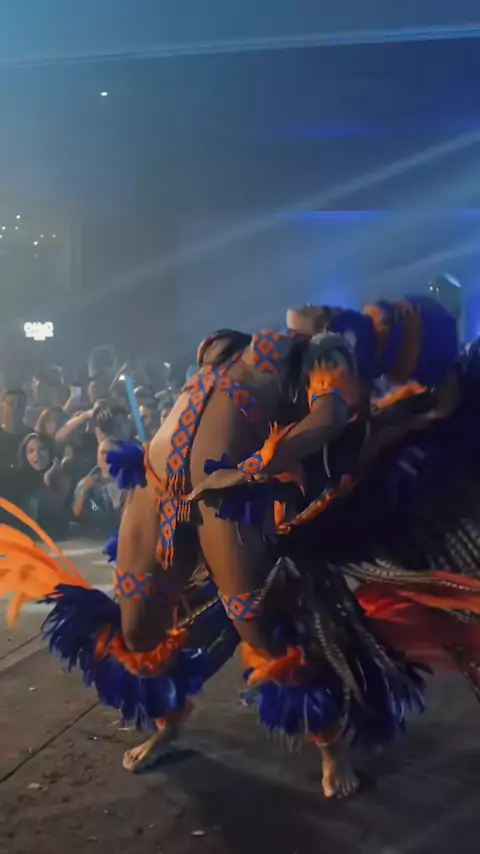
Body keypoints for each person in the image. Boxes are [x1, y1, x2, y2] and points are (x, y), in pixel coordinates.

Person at [5, 323, 480, 803]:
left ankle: (330, 747)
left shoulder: (321, 350)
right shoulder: (224, 345)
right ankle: (170, 722)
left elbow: (328, 419)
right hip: (157, 486)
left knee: (265, 638)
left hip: (226, 503)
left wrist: (246, 472)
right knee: (138, 634)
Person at [15, 433, 70, 536]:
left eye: (42, 449)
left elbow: (59, 518)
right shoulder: (18, 479)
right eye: (31, 451)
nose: (37, 455)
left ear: (50, 452)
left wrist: (47, 480)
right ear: (25, 456)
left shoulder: (62, 478)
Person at [72, 438, 123, 531]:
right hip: (89, 536)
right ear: (97, 456)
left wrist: (117, 503)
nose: (106, 457)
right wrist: (84, 492)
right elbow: (76, 514)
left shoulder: (128, 484)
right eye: (103, 452)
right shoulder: (85, 482)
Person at [0, 389, 30, 470]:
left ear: (25, 408)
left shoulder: (32, 437)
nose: (15, 409)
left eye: (20, 405)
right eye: (10, 404)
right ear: (2, 406)